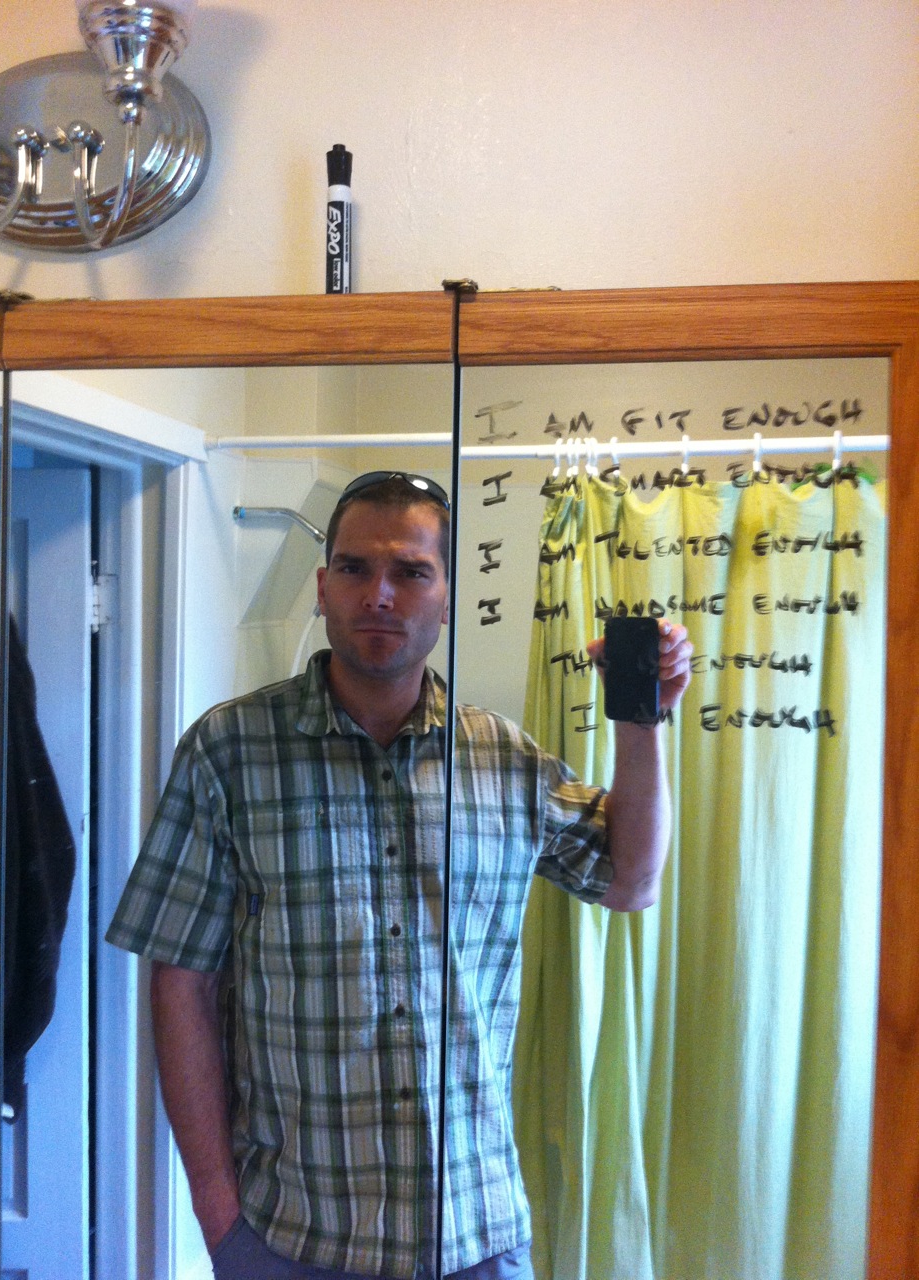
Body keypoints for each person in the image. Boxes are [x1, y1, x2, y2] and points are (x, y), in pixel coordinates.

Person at [107, 471, 692, 1280]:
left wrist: (642, 719)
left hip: (475, 1234)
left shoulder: (505, 761)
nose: (379, 594)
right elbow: (180, 983)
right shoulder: (228, 752)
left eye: (411, 572)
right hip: (292, 1235)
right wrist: (219, 1219)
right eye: (355, 568)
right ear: (323, 587)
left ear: (446, 598)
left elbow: (632, 881)